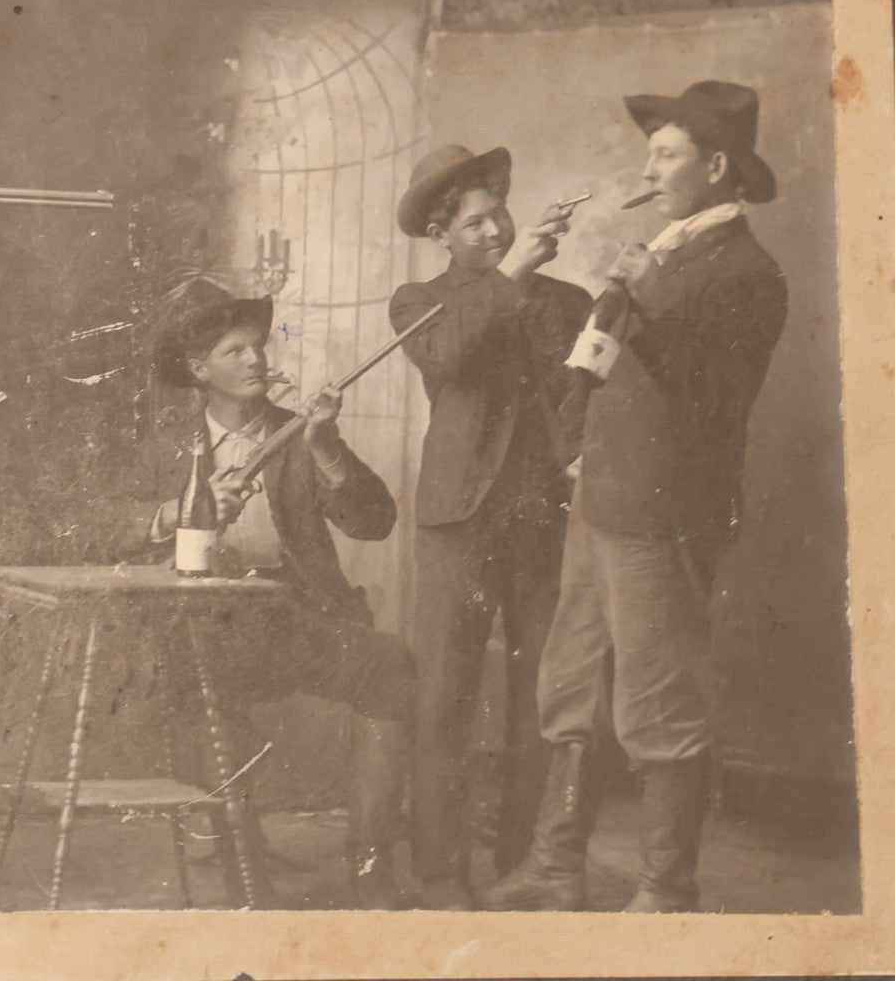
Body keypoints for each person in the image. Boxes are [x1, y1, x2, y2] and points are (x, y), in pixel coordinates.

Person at [479, 81, 788, 913]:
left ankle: (664, 890)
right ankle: (557, 867)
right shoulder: (671, 250)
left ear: (716, 166)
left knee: (658, 705)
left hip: (664, 519)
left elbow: (716, 403)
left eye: (666, 153)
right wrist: (579, 447)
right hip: (601, 504)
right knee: (570, 688)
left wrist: (647, 293)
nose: (647, 167)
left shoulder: (748, 273)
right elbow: (608, 369)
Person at [146, 277, 415, 909]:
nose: (257, 360)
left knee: (392, 667)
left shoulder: (297, 433)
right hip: (201, 624)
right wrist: (180, 511)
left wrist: (323, 445)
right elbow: (104, 524)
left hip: (297, 618)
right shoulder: (165, 444)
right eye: (235, 351)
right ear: (198, 369)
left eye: (257, 346)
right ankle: (245, 869)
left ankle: (370, 861)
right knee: (209, 684)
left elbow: (374, 523)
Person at [388, 146, 592, 910]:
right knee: (445, 695)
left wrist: (577, 456)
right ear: (442, 233)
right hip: (458, 519)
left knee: (542, 692)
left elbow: (583, 394)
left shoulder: (565, 300)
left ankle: (525, 863)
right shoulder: (419, 301)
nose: (493, 231)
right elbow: (446, 354)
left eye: (497, 216)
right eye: (473, 223)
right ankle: (442, 874)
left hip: (544, 514)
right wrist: (511, 278)